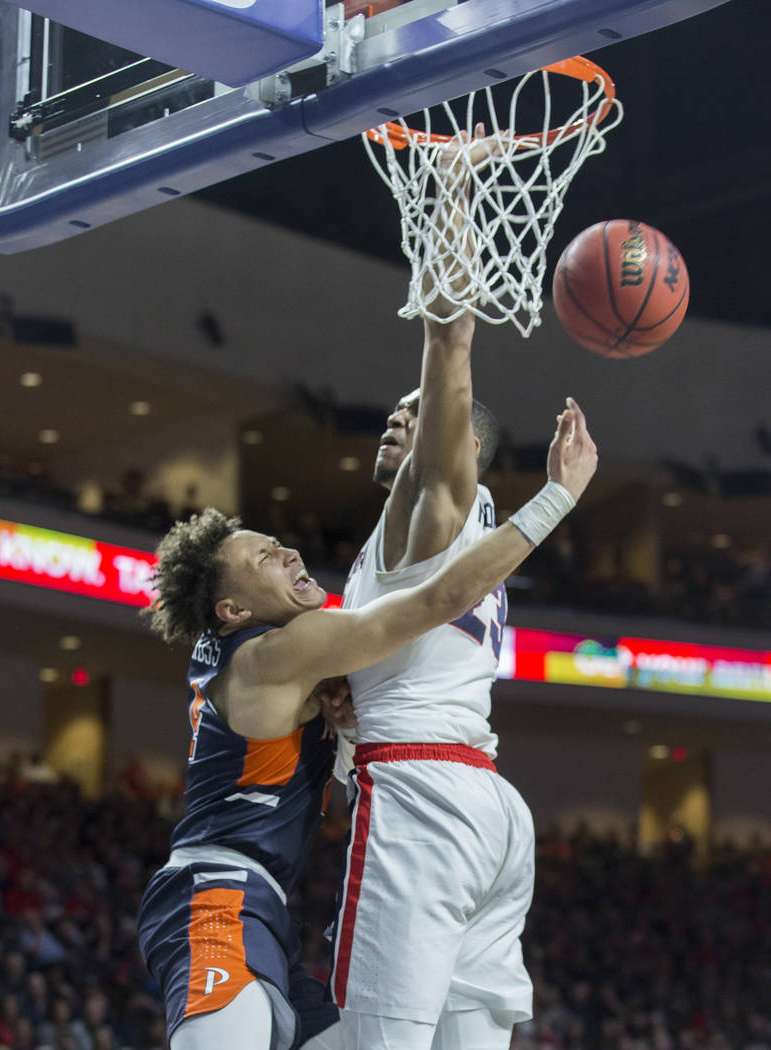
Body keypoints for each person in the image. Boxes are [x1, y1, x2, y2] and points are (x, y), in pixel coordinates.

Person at [136, 399, 596, 1050]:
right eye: (267, 557)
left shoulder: (274, 663)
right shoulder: (276, 653)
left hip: (261, 909)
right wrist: (558, 497)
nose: (291, 553)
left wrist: (343, 716)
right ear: (233, 607)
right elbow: (438, 601)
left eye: (279, 544)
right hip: (214, 897)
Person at [327, 323, 585, 1045]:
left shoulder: (429, 510)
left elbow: (449, 353)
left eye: (414, 414)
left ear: (463, 447)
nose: (396, 418)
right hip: (492, 807)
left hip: (421, 793)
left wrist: (451, 258)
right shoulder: (471, 534)